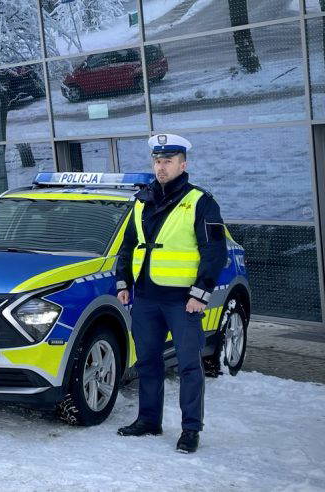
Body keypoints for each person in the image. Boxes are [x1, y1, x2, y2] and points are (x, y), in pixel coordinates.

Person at [115, 133, 227, 453]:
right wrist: (124, 282)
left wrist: (200, 292)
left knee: (189, 365)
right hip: (146, 297)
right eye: (157, 161)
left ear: (183, 164)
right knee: (148, 362)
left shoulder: (200, 201)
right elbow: (128, 244)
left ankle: (191, 429)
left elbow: (214, 252)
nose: (161, 167)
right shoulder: (142, 199)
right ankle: (149, 420)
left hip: (182, 300)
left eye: (167, 161)